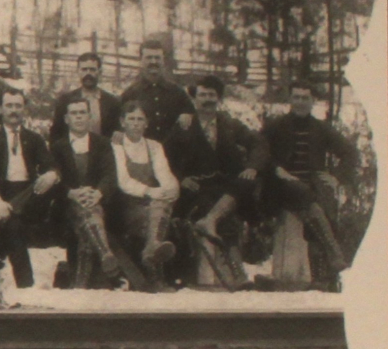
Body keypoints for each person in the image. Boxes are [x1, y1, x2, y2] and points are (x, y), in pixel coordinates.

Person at [164, 75, 265, 289]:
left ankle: (210, 220)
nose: (207, 99)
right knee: (225, 217)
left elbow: (257, 142)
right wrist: (181, 179)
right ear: (194, 98)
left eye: (212, 95)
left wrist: (252, 166)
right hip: (196, 187)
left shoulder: (229, 123)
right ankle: (237, 274)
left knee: (247, 183)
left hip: (225, 185)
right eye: (202, 95)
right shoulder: (184, 124)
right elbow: (165, 157)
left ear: (218, 98)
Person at [260, 81, 359, 275]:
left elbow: (350, 152)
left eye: (305, 98)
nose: (300, 102)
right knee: (301, 192)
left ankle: (321, 275)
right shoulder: (275, 126)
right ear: (290, 99)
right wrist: (275, 169)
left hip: (311, 187)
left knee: (324, 205)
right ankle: (334, 254)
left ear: (313, 101)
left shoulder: (321, 128)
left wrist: (336, 177)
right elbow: (257, 152)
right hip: (279, 186)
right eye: (296, 97)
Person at [0, 88, 59, 288]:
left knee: (46, 184)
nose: (14, 110)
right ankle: (26, 284)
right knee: (13, 226)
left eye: (18, 106)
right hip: (2, 192)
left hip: (29, 196)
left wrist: (51, 173)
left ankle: (2, 216)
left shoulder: (34, 138)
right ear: (0, 109)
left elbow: (50, 164)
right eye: (9, 106)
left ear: (24, 109)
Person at [49, 98, 120, 287]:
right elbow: (55, 179)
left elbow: (110, 174)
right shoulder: (58, 146)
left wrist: (97, 193)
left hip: (98, 203)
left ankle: (80, 285)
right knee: (86, 213)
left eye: (82, 113)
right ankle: (105, 252)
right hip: (67, 206)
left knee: (88, 224)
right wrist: (71, 193)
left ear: (89, 117)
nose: (78, 117)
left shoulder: (102, 144)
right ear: (66, 118)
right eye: (74, 113)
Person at [111, 101, 179, 292]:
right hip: (127, 206)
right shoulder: (116, 146)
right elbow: (123, 181)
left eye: (140, 119)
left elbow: (164, 174)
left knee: (160, 207)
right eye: (131, 119)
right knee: (159, 210)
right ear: (122, 122)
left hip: (152, 205)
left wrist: (171, 188)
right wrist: (151, 191)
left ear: (147, 123)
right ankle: (155, 275)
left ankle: (152, 250)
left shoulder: (154, 147)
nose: (135, 123)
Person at [119, 40, 194, 142]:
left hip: (172, 154)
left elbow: (192, 118)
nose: (153, 61)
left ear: (163, 61)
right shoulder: (130, 94)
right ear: (141, 61)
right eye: (149, 58)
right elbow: (120, 126)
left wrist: (187, 115)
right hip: (143, 154)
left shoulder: (178, 93)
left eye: (157, 58)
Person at [50, 52, 122, 141]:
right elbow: (56, 133)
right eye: (84, 69)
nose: (88, 73)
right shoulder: (65, 101)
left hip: (102, 152)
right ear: (78, 71)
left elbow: (118, 130)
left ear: (99, 72)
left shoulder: (112, 102)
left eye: (92, 69)